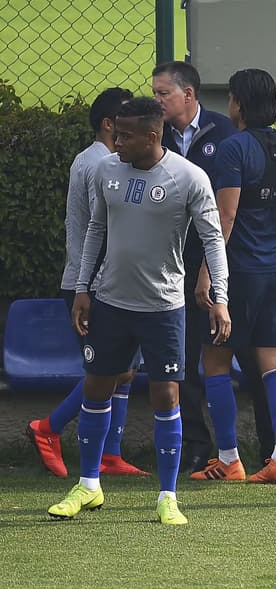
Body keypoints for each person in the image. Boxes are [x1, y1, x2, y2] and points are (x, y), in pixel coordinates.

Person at [47, 97, 230, 525]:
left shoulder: (189, 178)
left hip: (163, 307)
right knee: (96, 388)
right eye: (116, 134)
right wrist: (82, 287)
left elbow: (213, 241)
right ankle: (88, 485)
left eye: (125, 135)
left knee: (167, 394)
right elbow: (96, 227)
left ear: (153, 135)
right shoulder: (105, 170)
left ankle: (168, 496)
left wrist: (219, 297)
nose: (117, 142)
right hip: (109, 301)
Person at [153, 61, 274, 472]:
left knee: (250, 359)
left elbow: (229, 213)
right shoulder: (155, 136)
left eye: (162, 93)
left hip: (225, 264)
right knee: (185, 357)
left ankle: (267, 448)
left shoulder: (226, 135)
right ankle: (197, 444)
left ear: (188, 94)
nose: (157, 100)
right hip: (173, 264)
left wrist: (213, 264)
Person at [27, 87, 150, 479]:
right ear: (109, 124)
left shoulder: (100, 161)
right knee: (108, 370)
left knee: (124, 369)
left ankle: (111, 454)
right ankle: (49, 428)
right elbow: (105, 227)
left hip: (103, 281)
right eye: (126, 120)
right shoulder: (99, 165)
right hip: (92, 283)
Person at [190, 69, 276, 484]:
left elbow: (225, 217)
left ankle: (229, 459)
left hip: (239, 273)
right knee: (274, 362)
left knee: (215, 360)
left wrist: (207, 276)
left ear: (237, 103)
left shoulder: (232, 149)